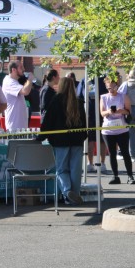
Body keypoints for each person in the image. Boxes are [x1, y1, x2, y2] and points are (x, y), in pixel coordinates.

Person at [41, 74, 87, 204]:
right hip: (77, 140)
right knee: (75, 170)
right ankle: (75, 194)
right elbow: (84, 123)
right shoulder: (78, 102)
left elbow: (48, 121)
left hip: (60, 141)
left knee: (61, 169)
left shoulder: (56, 101)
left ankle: (67, 192)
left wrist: (41, 136)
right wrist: (83, 136)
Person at [100, 76, 135, 185]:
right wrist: (109, 112)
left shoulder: (123, 96)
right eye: (108, 88)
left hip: (122, 129)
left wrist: (122, 111)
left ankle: (130, 176)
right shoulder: (104, 97)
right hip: (108, 129)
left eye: (112, 87)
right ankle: (115, 176)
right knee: (112, 153)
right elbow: (102, 113)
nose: (110, 90)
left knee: (125, 152)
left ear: (117, 86)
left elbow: (129, 111)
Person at [2, 59, 32, 131]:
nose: (23, 69)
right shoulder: (9, 82)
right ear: (13, 70)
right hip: (14, 127)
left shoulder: (14, 81)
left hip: (19, 126)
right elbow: (25, 91)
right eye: (21, 67)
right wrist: (30, 80)